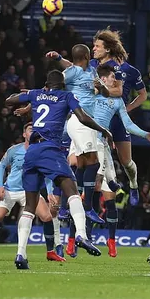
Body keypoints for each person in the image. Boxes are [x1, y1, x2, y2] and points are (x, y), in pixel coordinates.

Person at [5, 70, 113, 269]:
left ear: (46, 85)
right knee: (71, 189)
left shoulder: (36, 94)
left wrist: (31, 94)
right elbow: (82, 117)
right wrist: (103, 130)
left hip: (32, 151)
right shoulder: (66, 96)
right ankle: (81, 233)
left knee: (29, 206)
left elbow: (9, 100)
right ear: (62, 85)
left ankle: (21, 254)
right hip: (50, 149)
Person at [86, 63, 150, 257]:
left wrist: (145, 135)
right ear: (103, 79)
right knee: (95, 179)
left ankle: (110, 239)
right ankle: (79, 235)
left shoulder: (117, 101)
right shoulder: (91, 92)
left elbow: (128, 124)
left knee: (111, 183)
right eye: (112, 77)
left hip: (102, 141)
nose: (116, 81)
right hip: (86, 139)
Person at [45, 44, 118, 224]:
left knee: (82, 165)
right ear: (86, 55)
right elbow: (56, 82)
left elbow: (107, 93)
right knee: (93, 163)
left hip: (87, 122)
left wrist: (100, 88)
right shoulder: (72, 72)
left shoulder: (92, 72)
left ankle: (64, 208)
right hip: (79, 120)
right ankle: (87, 208)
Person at [0, 122, 65, 262]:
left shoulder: (42, 152)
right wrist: (0, 186)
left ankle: (50, 252)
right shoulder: (14, 150)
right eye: (30, 130)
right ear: (24, 134)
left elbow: (48, 175)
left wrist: (49, 192)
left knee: (47, 217)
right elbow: (1, 166)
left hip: (30, 191)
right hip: (10, 190)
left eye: (35, 130)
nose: (33, 132)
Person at [92, 28, 146, 205]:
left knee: (126, 162)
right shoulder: (92, 66)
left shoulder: (127, 70)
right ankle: (103, 193)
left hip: (118, 118)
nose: (94, 49)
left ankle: (133, 184)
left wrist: (127, 109)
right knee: (97, 155)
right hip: (99, 117)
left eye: (97, 46)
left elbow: (143, 95)